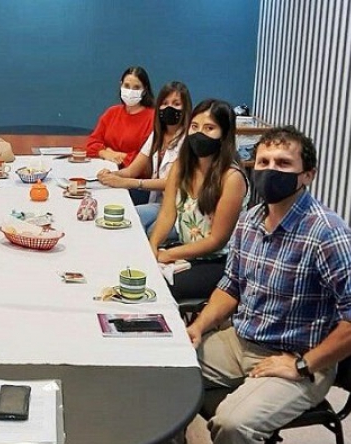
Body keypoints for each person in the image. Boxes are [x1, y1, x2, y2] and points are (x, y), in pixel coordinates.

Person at [153, 125, 351, 444]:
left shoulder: (326, 232)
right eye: (263, 162)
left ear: (308, 175)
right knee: (161, 372)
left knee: (233, 423)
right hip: (240, 341)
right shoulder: (250, 220)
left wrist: (305, 364)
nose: (270, 170)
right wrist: (198, 326)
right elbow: (230, 286)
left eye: (283, 163)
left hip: (298, 357)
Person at [147, 99, 248, 301]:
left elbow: (217, 240)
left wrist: (168, 255)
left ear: (224, 134)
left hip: (219, 262)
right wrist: (153, 246)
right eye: (194, 126)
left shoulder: (232, 178)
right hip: (185, 252)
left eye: (209, 128)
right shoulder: (180, 166)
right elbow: (167, 214)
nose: (199, 133)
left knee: (157, 289)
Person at [96, 81, 192, 235]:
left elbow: (171, 182)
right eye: (165, 103)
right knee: (129, 218)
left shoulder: (189, 139)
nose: (169, 108)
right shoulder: (157, 135)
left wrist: (130, 183)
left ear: (186, 108)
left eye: (176, 104)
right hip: (161, 204)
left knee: (149, 231)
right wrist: (112, 175)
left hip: (181, 208)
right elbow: (132, 170)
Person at [86, 66, 155, 169]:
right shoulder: (111, 113)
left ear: (144, 90)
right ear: (121, 85)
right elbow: (91, 144)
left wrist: (118, 155)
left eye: (136, 87)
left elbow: (149, 159)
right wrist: (105, 153)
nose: (130, 91)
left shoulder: (153, 118)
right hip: (105, 171)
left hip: (134, 175)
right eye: (126, 86)